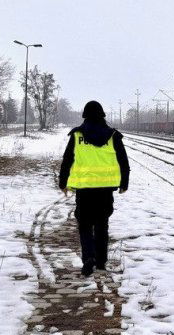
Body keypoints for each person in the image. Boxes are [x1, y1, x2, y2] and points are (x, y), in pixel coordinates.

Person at [59, 100, 130, 276]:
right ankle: (101, 261)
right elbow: (123, 161)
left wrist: (63, 183)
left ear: (84, 115)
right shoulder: (113, 135)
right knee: (102, 224)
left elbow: (67, 160)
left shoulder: (77, 135)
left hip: (84, 190)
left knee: (84, 225)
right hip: (105, 190)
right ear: (102, 115)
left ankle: (88, 258)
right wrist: (124, 183)